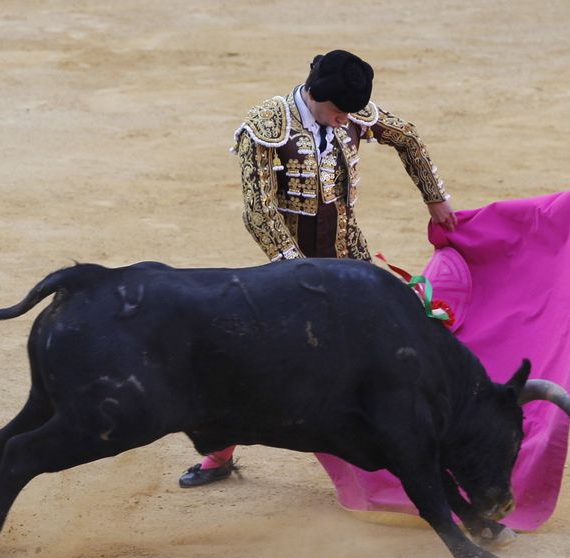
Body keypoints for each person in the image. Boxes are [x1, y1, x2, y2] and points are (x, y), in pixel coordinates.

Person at [179, 49, 456, 487]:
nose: (346, 120)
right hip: (291, 270)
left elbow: (407, 137)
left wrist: (434, 196)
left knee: (388, 347)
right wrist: (299, 275)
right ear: (314, 95)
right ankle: (220, 450)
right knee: (267, 362)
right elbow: (260, 213)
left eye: (350, 112)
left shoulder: (348, 109)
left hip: (350, 257)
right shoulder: (267, 127)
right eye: (338, 112)